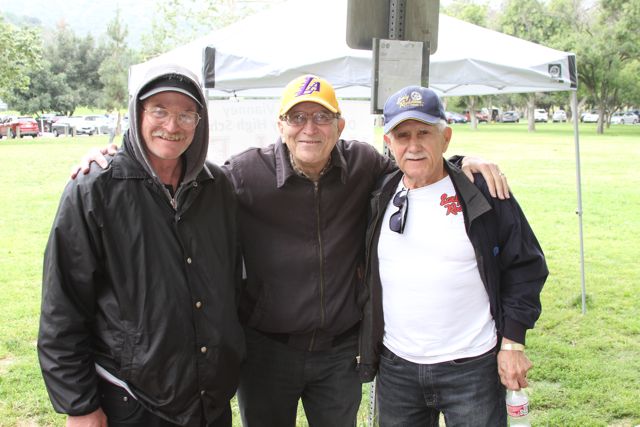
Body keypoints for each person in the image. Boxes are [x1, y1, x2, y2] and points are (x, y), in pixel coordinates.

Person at [71, 74, 510, 427]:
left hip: (340, 353)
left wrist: (461, 163)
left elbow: (416, 159)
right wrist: (119, 156)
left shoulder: (365, 166)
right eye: (297, 117)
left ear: (340, 126)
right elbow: (178, 176)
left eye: (321, 118)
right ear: (280, 125)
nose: (309, 128)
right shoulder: (242, 175)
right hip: (267, 352)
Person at [38, 65, 245, 427]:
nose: (172, 125)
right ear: (138, 112)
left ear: (199, 121)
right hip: (133, 400)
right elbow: (63, 307)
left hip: (208, 400)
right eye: (159, 110)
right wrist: (80, 406)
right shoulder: (95, 189)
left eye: (186, 114)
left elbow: (231, 282)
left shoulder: (218, 187)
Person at [358, 85, 548, 426]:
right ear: (389, 143)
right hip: (397, 369)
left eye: (424, 133)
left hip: (472, 368)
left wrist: (513, 343)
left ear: (445, 138)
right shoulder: (379, 191)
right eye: (402, 135)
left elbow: (526, 265)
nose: (413, 146)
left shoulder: (482, 191)